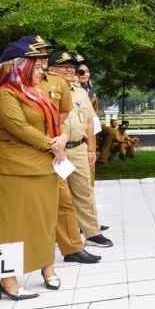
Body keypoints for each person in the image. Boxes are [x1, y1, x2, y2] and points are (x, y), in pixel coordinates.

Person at [0, 36, 68, 301]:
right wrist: (53, 145)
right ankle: (7, 280)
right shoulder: (3, 95)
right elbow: (20, 128)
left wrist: (62, 138)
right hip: (14, 169)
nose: (41, 66)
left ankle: (47, 268)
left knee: (43, 223)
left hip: (44, 168)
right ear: (19, 64)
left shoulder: (36, 92)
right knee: (9, 226)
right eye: (35, 62)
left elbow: (55, 121)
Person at [47, 51, 113, 249]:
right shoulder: (44, 90)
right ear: (50, 69)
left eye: (71, 66)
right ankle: (56, 236)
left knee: (84, 192)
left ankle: (92, 233)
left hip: (79, 148)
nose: (69, 70)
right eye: (64, 66)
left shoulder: (80, 92)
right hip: (56, 151)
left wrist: (91, 149)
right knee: (58, 196)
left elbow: (90, 123)